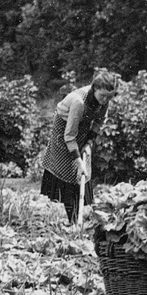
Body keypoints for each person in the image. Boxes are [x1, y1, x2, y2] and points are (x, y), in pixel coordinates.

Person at [38, 70, 119, 225]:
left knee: (82, 173)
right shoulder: (78, 102)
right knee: (69, 171)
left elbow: (98, 122)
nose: (106, 100)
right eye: (103, 96)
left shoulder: (104, 101)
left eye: (110, 97)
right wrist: (78, 161)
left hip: (82, 128)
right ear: (94, 89)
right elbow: (69, 136)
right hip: (64, 132)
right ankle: (74, 221)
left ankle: (78, 219)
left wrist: (89, 143)